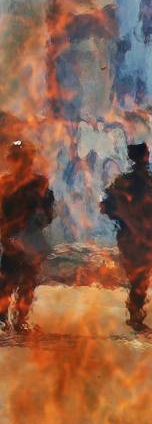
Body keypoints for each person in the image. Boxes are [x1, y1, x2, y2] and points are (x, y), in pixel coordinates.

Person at [100, 142, 152, 335]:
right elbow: (107, 207)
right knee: (139, 277)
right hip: (132, 237)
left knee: (141, 277)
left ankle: (136, 314)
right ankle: (136, 315)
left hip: (142, 237)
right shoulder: (135, 183)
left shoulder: (150, 183)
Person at [0, 140, 55, 334]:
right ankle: (5, 321)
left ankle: (19, 321)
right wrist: (6, 236)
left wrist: (41, 221)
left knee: (27, 283)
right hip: (13, 240)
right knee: (8, 283)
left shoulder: (39, 182)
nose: (24, 163)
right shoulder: (4, 183)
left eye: (26, 158)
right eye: (19, 158)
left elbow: (48, 210)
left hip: (30, 239)